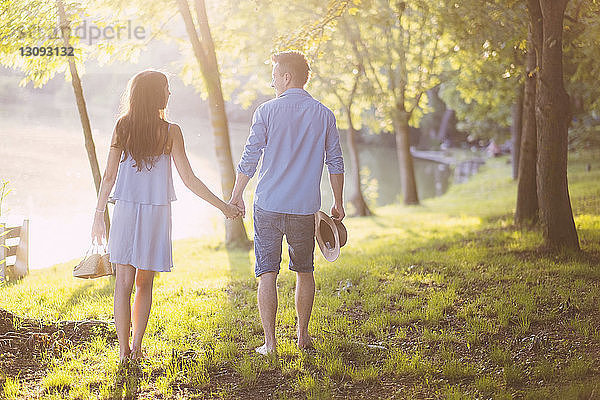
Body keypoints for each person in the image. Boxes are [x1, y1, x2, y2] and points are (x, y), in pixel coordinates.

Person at [91, 70, 240, 361]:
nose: (169, 94)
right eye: (166, 89)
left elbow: (109, 177)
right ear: (153, 94)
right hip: (156, 214)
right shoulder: (170, 131)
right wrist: (223, 206)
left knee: (123, 283)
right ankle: (135, 348)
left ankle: (124, 351)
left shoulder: (123, 127)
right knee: (143, 283)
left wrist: (98, 214)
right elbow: (190, 179)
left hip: (125, 211)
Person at [229, 51, 345, 355]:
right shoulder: (324, 114)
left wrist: (236, 194)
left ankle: (270, 343)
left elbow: (250, 157)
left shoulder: (265, 111)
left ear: (286, 77)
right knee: (304, 271)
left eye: (274, 75)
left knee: (267, 273)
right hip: (304, 208)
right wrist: (339, 203)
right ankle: (302, 337)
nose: (272, 81)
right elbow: (335, 161)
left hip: (267, 204)